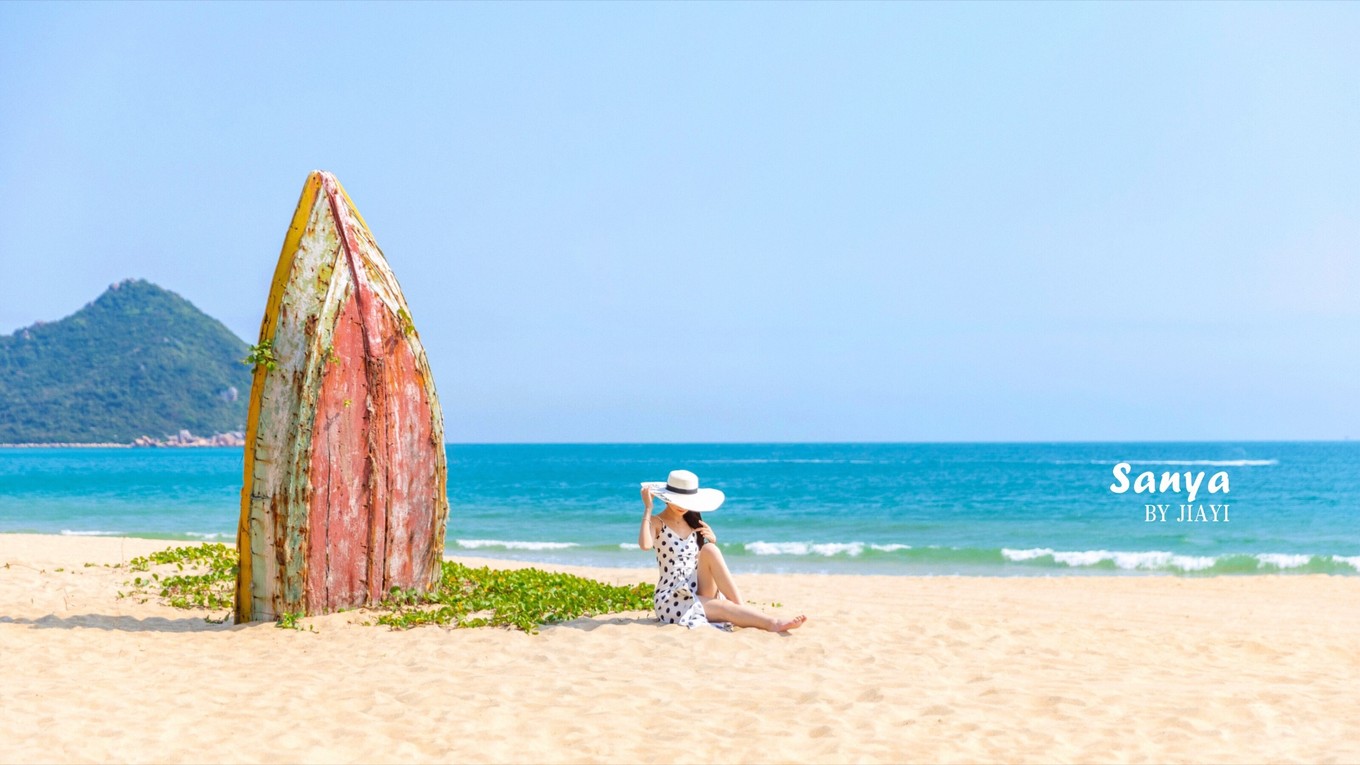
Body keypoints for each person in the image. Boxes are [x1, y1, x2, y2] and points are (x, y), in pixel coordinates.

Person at [638, 469, 807, 633]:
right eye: (677, 499)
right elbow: (645, 545)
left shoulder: (693, 523)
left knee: (711, 549)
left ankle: (741, 609)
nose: (682, 505)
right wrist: (648, 508)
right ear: (666, 497)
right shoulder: (656, 521)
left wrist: (711, 541)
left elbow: (696, 562)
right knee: (726, 607)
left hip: (697, 587)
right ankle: (773, 623)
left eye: (686, 500)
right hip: (673, 597)